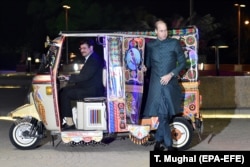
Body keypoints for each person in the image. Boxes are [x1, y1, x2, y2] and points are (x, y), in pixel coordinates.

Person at [143, 20, 186, 151]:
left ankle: (158, 142)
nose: (164, 33)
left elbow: (183, 63)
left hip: (170, 84)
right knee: (163, 114)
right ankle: (169, 145)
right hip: (156, 85)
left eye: (166, 30)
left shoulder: (174, 43)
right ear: (155, 32)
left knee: (166, 115)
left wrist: (171, 74)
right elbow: (148, 64)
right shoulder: (151, 46)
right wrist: (144, 68)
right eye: (161, 30)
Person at [59, 38, 105, 130]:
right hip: (89, 86)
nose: (82, 50)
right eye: (81, 49)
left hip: (93, 90)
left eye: (84, 48)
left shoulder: (94, 59)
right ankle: (67, 118)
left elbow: (85, 76)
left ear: (91, 48)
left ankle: (69, 122)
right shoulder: (91, 58)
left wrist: (69, 78)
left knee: (65, 93)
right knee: (65, 90)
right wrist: (69, 77)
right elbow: (84, 75)